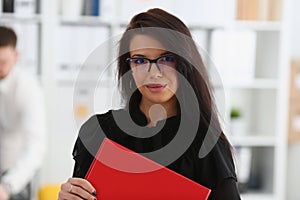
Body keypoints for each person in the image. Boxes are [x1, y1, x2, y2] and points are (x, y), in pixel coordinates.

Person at [58, 8, 241, 200]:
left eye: (167, 59)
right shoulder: (99, 130)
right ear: (128, 67)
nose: (154, 73)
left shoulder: (207, 143)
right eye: (140, 60)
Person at [0, 26, 46, 200]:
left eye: (3, 62)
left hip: (14, 174)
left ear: (15, 57)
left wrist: (7, 186)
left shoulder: (27, 88)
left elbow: (35, 146)